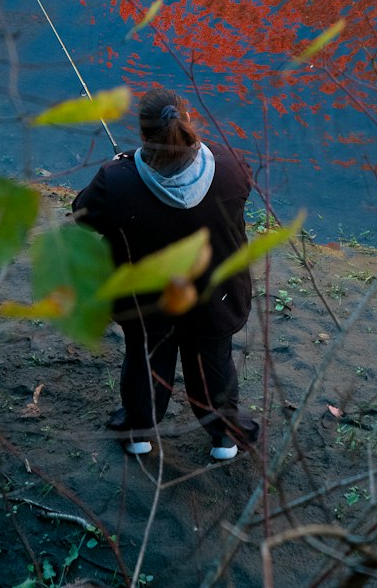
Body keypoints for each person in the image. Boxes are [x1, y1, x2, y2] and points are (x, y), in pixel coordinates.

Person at [71, 84, 260, 461]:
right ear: (189, 123)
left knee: (145, 363)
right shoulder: (232, 166)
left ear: (143, 134)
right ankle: (224, 439)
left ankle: (139, 434)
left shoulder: (116, 179)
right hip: (215, 298)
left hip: (146, 301)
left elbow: (82, 216)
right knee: (214, 364)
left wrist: (124, 170)